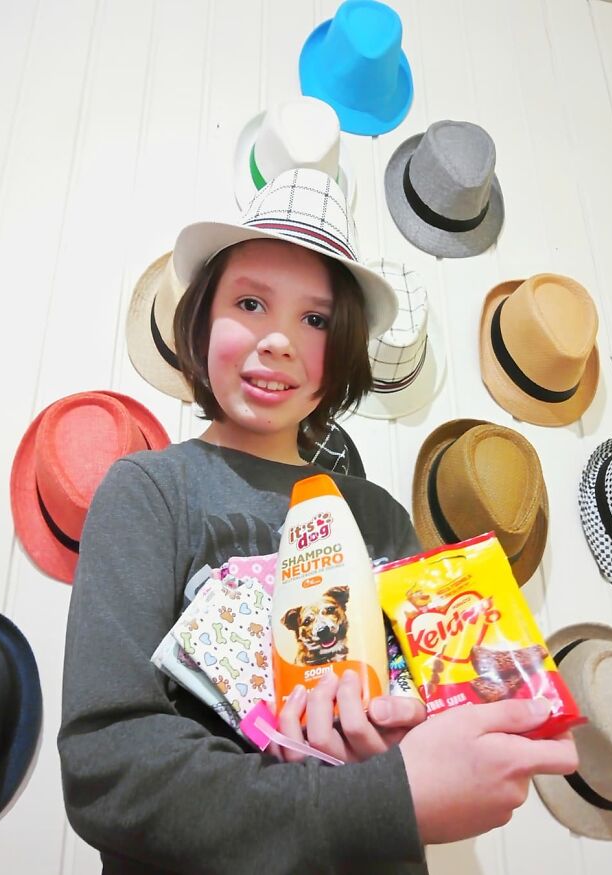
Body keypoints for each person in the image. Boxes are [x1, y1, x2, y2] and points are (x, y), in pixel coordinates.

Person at [59, 170, 578, 875]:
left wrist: (437, 734)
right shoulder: (151, 490)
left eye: (316, 319)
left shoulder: (378, 518)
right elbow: (108, 768)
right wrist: (387, 796)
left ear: (346, 350)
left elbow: (433, 731)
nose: (278, 340)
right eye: (250, 302)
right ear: (201, 317)